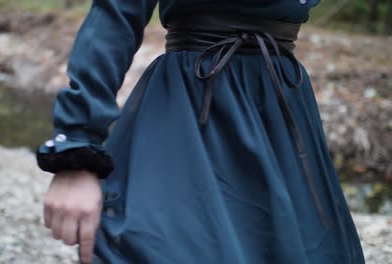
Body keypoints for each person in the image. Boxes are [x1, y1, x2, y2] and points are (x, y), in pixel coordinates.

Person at [36, 0, 365, 263]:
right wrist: (76, 151)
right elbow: (116, 14)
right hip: (190, 103)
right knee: (158, 245)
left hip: (279, 108)